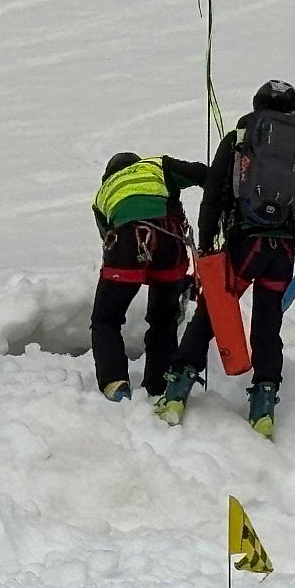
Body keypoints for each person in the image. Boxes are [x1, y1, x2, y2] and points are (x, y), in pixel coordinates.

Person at [154, 80, 295, 437]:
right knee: (267, 325)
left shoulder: (240, 137)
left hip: (242, 246)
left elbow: (213, 195)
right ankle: (263, 407)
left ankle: (175, 393)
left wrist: (206, 247)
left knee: (213, 312)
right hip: (281, 254)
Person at [90, 151, 208, 401]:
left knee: (106, 319)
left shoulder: (102, 194)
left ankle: (114, 382)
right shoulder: (156, 166)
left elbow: (107, 237)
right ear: (137, 163)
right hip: (169, 243)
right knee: (163, 319)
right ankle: (159, 385)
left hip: (126, 243)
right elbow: (202, 174)